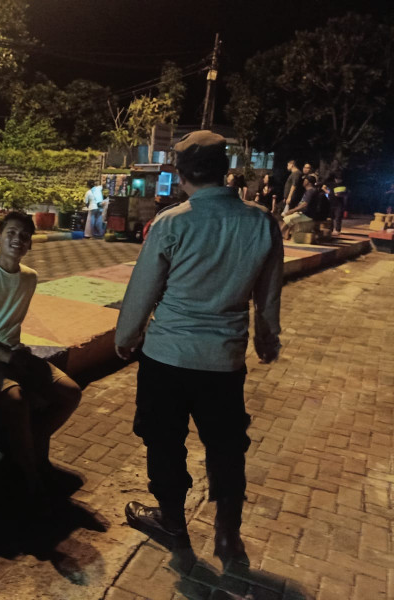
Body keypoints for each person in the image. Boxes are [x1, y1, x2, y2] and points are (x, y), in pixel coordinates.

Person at [115, 130, 283, 568]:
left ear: (181, 173)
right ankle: (228, 535)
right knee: (226, 446)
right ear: (225, 169)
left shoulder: (172, 223)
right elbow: (268, 295)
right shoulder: (262, 222)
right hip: (224, 361)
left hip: (167, 358)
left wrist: (126, 337)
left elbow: (143, 290)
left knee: (164, 441)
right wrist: (267, 338)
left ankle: (172, 522)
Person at [0, 212, 82, 502]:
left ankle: (32, 444)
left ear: (30, 243)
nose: (17, 239)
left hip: (13, 353)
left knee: (70, 393)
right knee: (16, 400)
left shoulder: (29, 277)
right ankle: (30, 475)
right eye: (11, 233)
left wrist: (14, 353)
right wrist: (6, 355)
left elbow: (8, 325)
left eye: (24, 235)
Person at [281, 174, 322, 240]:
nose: (303, 181)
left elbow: (304, 204)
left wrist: (292, 210)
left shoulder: (311, 191)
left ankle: (277, 235)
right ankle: (286, 234)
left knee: (288, 219)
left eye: (305, 180)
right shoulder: (309, 191)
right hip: (305, 213)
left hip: (307, 215)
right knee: (290, 216)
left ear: (308, 182)